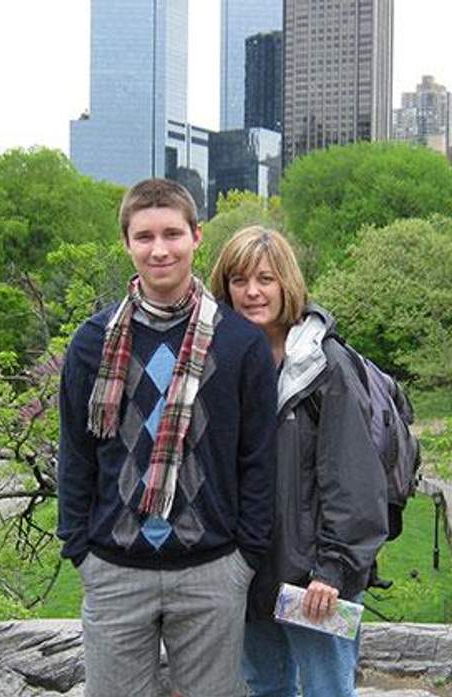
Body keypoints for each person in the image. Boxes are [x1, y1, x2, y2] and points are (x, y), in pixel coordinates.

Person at [57, 179, 278, 697]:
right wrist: (79, 549)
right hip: (114, 569)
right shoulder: (91, 343)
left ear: (196, 237)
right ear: (126, 243)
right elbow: (76, 455)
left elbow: (257, 459)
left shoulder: (240, 343)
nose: (160, 250)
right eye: (145, 236)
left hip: (212, 570)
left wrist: (245, 556)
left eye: (172, 234)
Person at [209, 226, 388, 697]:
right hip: (248, 573)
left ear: (286, 283)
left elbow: (354, 480)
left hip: (314, 580)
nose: (252, 292)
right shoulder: (219, 362)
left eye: (265, 279)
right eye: (239, 280)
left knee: (328, 691)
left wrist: (333, 570)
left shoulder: (324, 365)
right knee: (265, 687)